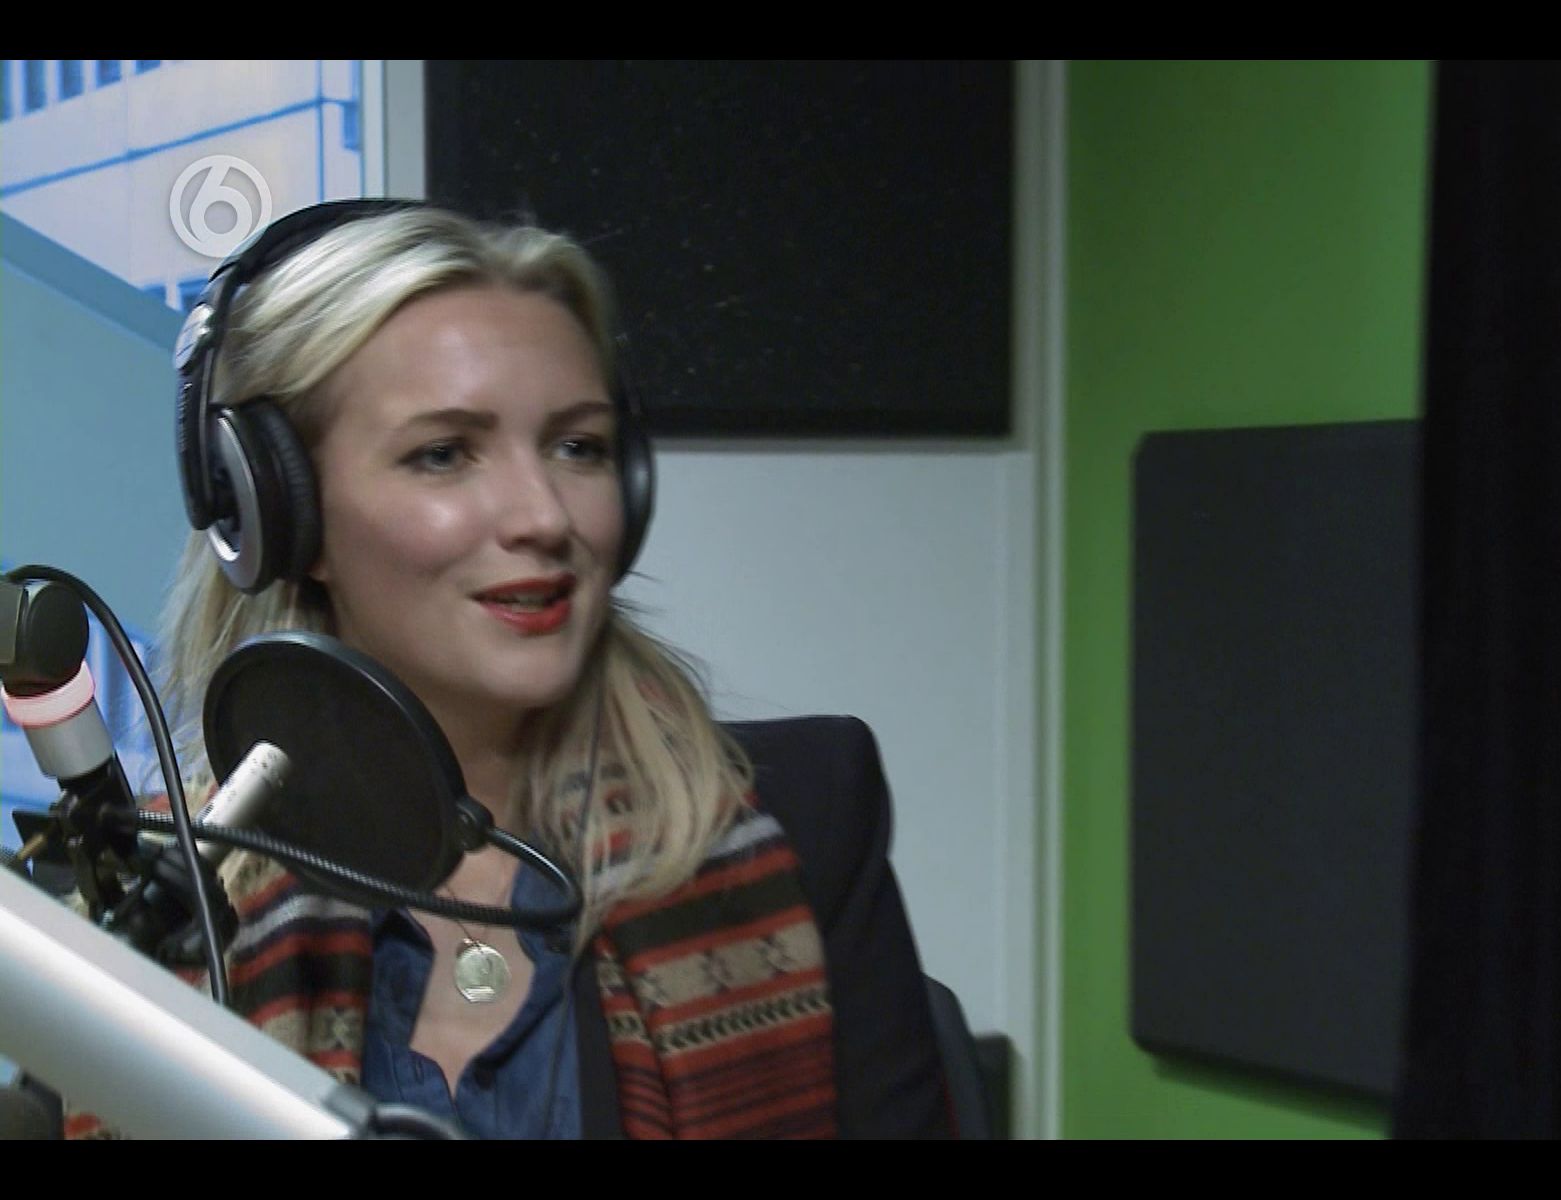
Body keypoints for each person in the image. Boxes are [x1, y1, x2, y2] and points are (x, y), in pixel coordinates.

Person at [68, 200, 951, 1139]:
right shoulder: (155, 898)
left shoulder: (810, 815)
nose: (544, 516)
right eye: (444, 454)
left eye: (579, 448)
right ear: (281, 510)